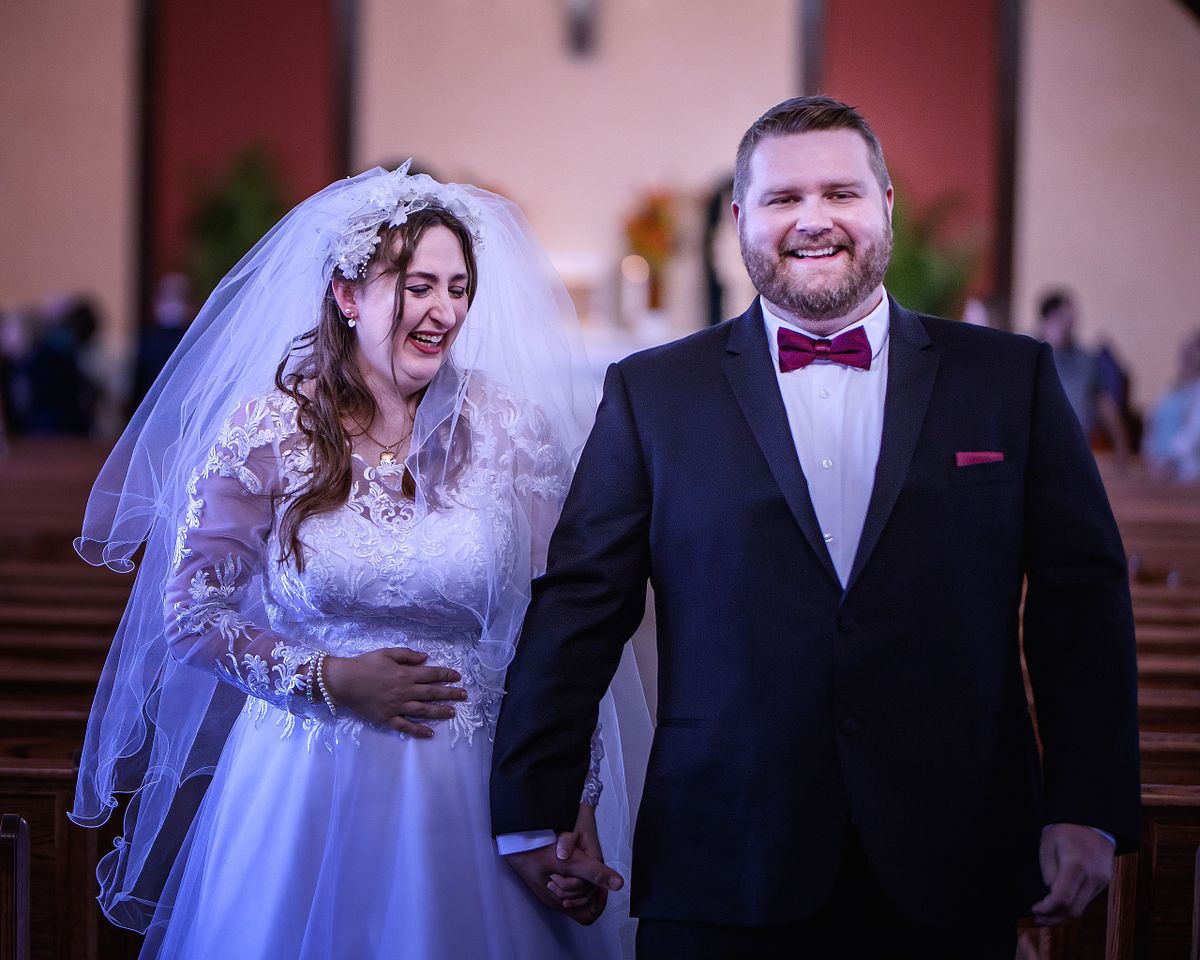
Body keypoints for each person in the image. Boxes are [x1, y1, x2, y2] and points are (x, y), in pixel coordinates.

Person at [491, 97, 1140, 958]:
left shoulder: (1008, 380)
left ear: (886, 206)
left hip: (955, 851)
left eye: (841, 192)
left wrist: (1086, 803)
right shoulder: (654, 394)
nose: (813, 220)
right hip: (723, 852)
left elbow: (1080, 603)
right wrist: (535, 807)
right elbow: (581, 603)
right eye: (782, 198)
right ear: (739, 220)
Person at [70, 165, 643, 959]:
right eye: (416, 285)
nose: (443, 310)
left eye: (457, 287)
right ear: (348, 295)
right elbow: (191, 617)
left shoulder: (508, 429)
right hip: (305, 778)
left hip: (469, 783)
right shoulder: (269, 433)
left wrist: (564, 797)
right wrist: (328, 678)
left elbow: (562, 623)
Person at [1038, 290, 1132, 460]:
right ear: (1049, 317)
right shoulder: (1028, 353)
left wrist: (1121, 445)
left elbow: (1104, 402)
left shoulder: (1086, 359)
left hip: (1076, 448)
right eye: (1065, 317)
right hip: (1036, 448)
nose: (1071, 322)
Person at [1145, 329, 1200, 481]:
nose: (1186, 356)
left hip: (1186, 473)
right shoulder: (1170, 389)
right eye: (1184, 351)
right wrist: (1151, 456)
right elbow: (1153, 424)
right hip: (1158, 468)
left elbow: (1193, 433)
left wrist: (1168, 460)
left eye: (1192, 351)